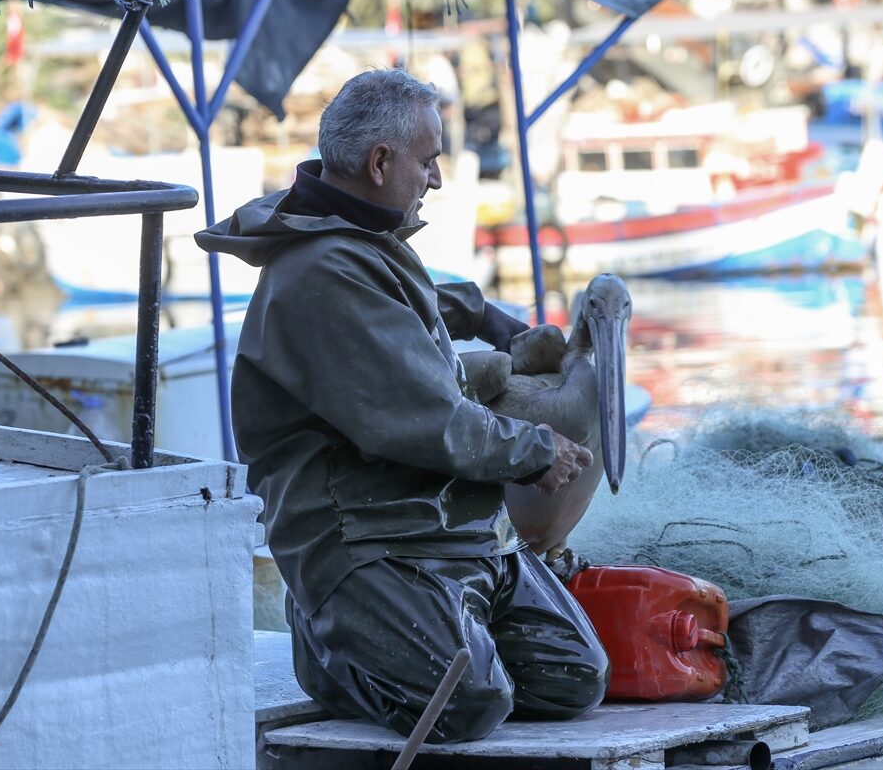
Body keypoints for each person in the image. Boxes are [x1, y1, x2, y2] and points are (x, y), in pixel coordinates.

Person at [196, 68, 608, 743]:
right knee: (467, 704)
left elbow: (420, 312)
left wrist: (500, 328)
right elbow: (426, 418)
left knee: (573, 677)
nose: (436, 179)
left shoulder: (360, 239)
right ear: (380, 163)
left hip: (449, 526)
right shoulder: (320, 270)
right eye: (429, 160)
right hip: (366, 538)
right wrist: (535, 453)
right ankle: (328, 637)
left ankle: (434, 631)